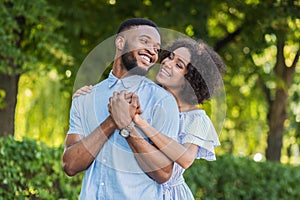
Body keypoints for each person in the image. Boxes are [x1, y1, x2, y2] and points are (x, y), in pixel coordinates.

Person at [74, 37, 226, 199]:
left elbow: (186, 159)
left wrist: (140, 122)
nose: (167, 63)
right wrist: (86, 96)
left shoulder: (196, 118)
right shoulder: (148, 99)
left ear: (190, 80)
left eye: (178, 65)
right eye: (170, 57)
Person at [62, 18, 180, 200]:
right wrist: (112, 121)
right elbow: (70, 165)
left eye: (156, 48)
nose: (152, 51)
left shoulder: (163, 101)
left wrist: (128, 127)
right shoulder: (85, 98)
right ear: (120, 42)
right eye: (144, 41)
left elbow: (164, 173)